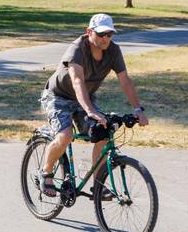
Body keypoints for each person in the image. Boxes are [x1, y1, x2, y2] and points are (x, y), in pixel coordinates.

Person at [39, 14, 148, 197]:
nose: (106, 38)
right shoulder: (77, 50)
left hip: (85, 98)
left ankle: (97, 184)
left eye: (109, 34)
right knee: (65, 136)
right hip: (58, 97)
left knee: (103, 131)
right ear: (89, 32)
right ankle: (46, 172)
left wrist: (138, 109)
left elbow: (125, 81)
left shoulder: (113, 51)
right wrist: (90, 111)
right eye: (101, 34)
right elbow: (77, 82)